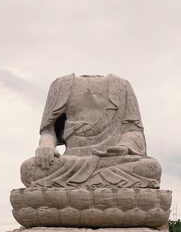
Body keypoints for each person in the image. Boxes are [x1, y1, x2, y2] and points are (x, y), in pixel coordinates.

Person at [20, 74, 161, 189]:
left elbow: (133, 131)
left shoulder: (122, 85)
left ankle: (76, 189)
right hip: (71, 163)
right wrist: (46, 146)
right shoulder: (61, 85)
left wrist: (124, 147)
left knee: (151, 168)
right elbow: (48, 131)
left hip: (111, 161)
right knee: (28, 169)